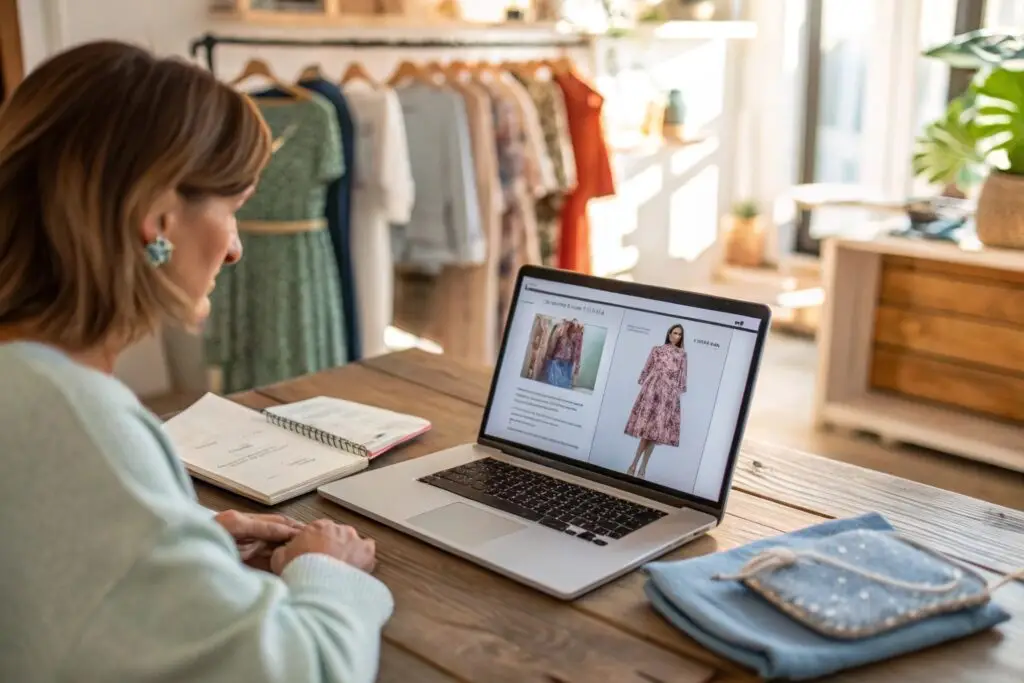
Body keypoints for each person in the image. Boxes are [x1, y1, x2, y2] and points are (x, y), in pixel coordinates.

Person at [0, 41, 392, 683]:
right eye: (233, 210)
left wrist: (179, 539)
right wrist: (328, 573)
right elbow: (298, 673)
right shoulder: (73, 420)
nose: (236, 250)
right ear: (157, 218)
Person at [624, 323, 688, 478]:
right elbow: (647, 366)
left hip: (668, 394)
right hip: (652, 390)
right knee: (648, 432)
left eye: (679, 334)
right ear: (669, 333)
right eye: (674, 332)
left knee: (655, 433)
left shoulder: (682, 354)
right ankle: (635, 465)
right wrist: (643, 378)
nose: (676, 336)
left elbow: (683, 375)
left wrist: (676, 393)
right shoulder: (657, 350)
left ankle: (640, 468)